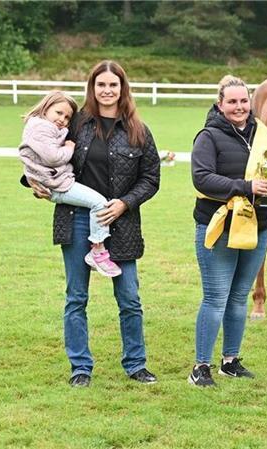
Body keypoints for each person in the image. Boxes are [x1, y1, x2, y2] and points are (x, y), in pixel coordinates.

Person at [26, 60, 161, 387]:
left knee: (129, 298)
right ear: (93, 88)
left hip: (122, 222)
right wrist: (30, 182)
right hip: (77, 220)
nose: (107, 91)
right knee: (76, 297)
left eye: (113, 85)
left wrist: (124, 204)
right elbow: (41, 154)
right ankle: (80, 368)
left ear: (122, 88)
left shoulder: (139, 131)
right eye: (101, 85)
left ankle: (135, 363)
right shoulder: (77, 125)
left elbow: (151, 178)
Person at [188, 75, 267, 387]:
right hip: (219, 227)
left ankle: (230, 361)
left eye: (243, 101)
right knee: (215, 298)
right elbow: (201, 178)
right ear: (220, 105)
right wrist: (244, 186)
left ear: (250, 103)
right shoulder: (208, 137)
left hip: (258, 227)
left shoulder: (264, 136)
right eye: (232, 102)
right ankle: (201, 367)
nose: (239, 107)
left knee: (239, 298)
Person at [19, 91, 122, 277]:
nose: (62, 120)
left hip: (56, 182)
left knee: (97, 203)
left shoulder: (44, 127)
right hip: (57, 184)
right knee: (99, 203)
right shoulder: (40, 127)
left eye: (67, 117)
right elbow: (52, 157)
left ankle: (97, 250)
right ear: (46, 107)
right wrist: (69, 148)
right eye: (58, 113)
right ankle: (97, 250)